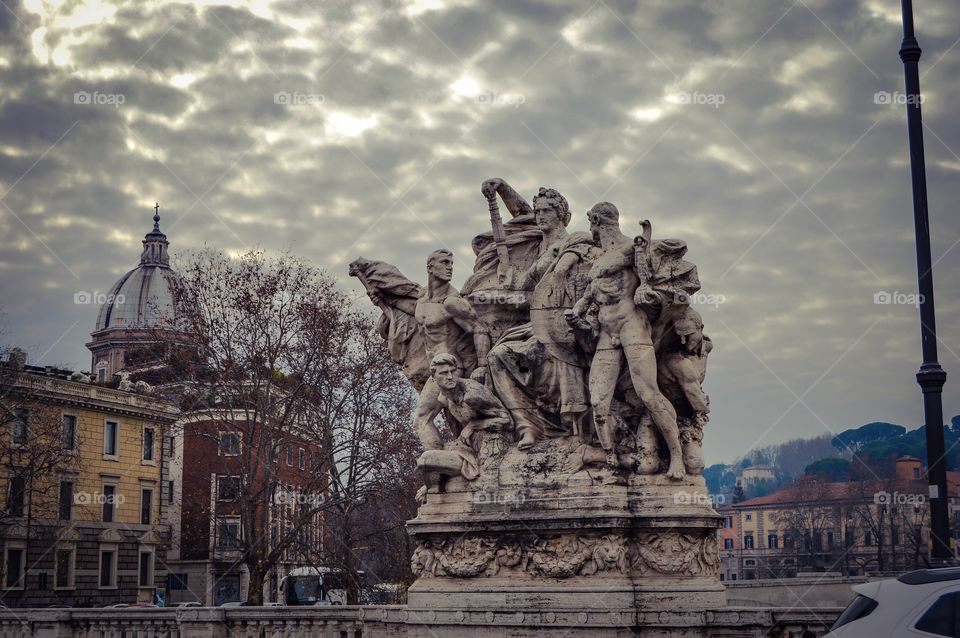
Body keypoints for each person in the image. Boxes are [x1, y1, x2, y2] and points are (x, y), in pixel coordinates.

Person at [567, 202, 686, 480]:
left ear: (598, 222)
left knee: (649, 393)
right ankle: (611, 461)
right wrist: (575, 315)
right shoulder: (598, 260)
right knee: (598, 402)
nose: (591, 231)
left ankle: (677, 456)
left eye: (592, 225)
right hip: (608, 334)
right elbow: (586, 299)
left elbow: (650, 273)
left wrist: (646, 237)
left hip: (633, 327)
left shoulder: (631, 248)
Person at [484, 182, 595, 450]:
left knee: (554, 347)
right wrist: (508, 280)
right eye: (538, 211)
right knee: (497, 356)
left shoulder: (576, 239)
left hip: (569, 321)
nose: (540, 215)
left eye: (547, 210)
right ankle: (527, 427)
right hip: (536, 324)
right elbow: (523, 287)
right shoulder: (535, 249)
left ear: (562, 215)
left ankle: (575, 429)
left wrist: (502, 187)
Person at [413, 353, 512, 502]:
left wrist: (473, 425)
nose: (450, 376)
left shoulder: (472, 394)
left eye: (453, 371)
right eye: (444, 373)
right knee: (427, 461)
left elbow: (507, 421)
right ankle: (433, 489)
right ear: (433, 378)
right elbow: (422, 419)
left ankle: (433, 490)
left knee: (427, 459)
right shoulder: (443, 397)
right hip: (467, 445)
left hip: (490, 444)